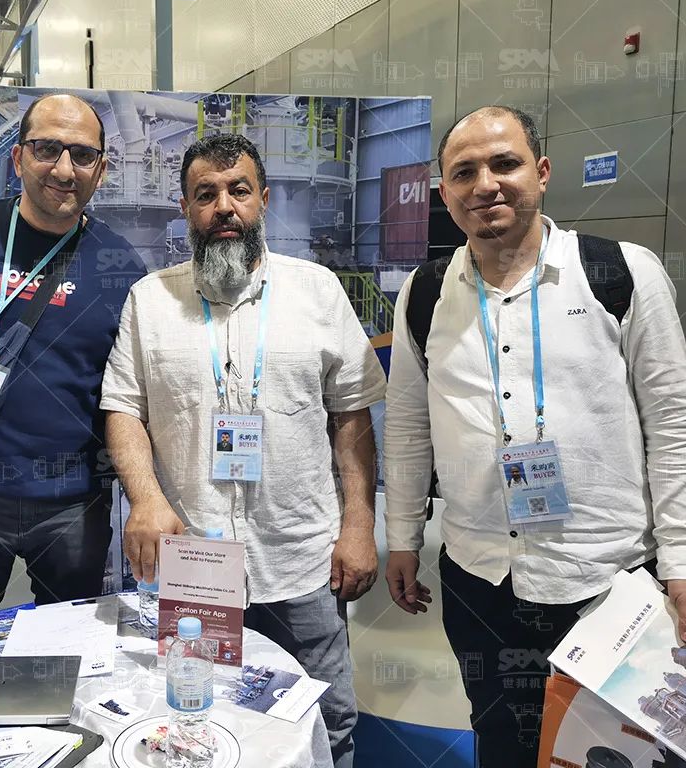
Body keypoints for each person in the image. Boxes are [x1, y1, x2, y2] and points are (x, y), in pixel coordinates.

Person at [383, 105, 686, 767]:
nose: (485, 184)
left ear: (542, 172)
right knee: (503, 742)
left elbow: (673, 424)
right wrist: (402, 536)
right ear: (445, 193)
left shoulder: (619, 273)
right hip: (481, 578)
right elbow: (407, 425)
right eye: (464, 172)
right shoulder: (427, 293)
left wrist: (681, 560)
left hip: (606, 576)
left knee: (616, 751)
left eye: (505, 164)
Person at [101, 133, 385, 767]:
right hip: (195, 560)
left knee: (327, 716)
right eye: (206, 194)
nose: (223, 207)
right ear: (185, 207)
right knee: (198, 717)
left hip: (301, 557)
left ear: (263, 199)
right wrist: (145, 499)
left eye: (238, 191)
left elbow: (352, 416)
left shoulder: (317, 292)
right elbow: (122, 407)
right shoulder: (150, 300)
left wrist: (359, 525)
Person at [0, 93, 146, 651]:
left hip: (74, 504)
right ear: (18, 158)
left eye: (82, 155)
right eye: (46, 149)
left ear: (101, 170)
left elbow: (129, 397)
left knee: (70, 658)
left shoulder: (121, 267)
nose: (64, 169)